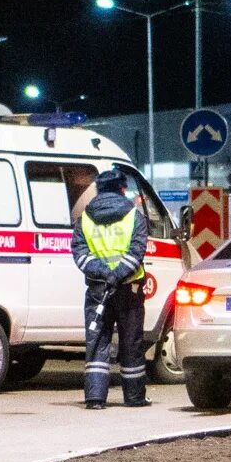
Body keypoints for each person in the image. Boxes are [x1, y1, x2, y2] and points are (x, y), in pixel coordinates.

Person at [74, 167, 151, 409]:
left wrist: (104, 274)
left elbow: (80, 254)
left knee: (97, 342)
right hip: (129, 288)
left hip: (98, 289)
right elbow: (136, 252)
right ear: (122, 188)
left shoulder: (85, 218)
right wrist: (117, 275)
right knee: (131, 343)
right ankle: (134, 397)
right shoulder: (134, 216)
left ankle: (95, 398)